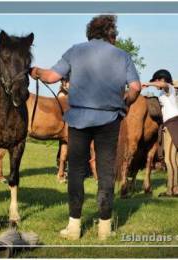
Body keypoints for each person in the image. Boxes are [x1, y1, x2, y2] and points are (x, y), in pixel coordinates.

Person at [30, 15, 141, 240]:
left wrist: (36, 72)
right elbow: (136, 87)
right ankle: (105, 228)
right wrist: (126, 102)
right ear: (111, 35)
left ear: (90, 33)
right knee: (106, 172)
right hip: (110, 119)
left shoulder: (75, 50)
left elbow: (51, 77)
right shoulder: (122, 55)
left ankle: (73, 227)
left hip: (79, 119)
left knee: (76, 172)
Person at [143, 69, 178, 197]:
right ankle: (174, 188)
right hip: (171, 124)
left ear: (161, 79)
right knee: (172, 159)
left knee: (169, 159)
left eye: (156, 80)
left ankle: (172, 190)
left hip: (172, 124)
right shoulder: (165, 92)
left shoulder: (168, 88)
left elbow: (163, 84)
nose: (156, 83)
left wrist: (148, 84)